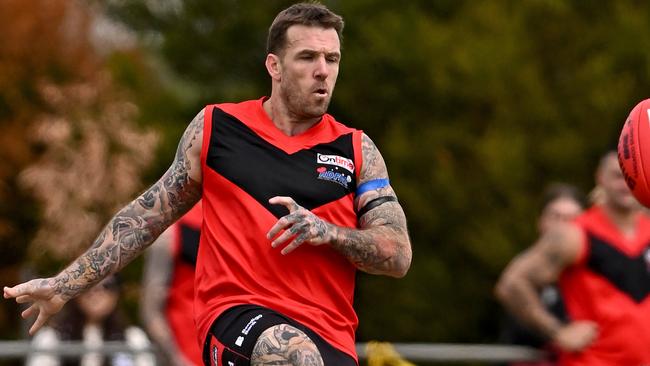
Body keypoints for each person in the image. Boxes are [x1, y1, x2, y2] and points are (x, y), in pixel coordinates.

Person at [4, 3, 412, 366]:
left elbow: (397, 254)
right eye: (307, 57)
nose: (323, 70)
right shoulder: (218, 128)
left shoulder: (358, 149)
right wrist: (65, 284)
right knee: (293, 352)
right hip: (234, 318)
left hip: (330, 337)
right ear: (274, 66)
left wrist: (331, 234)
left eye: (332, 58)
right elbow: (145, 216)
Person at [495, 151, 650, 366]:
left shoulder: (647, 229)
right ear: (600, 178)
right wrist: (558, 332)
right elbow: (512, 284)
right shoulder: (576, 234)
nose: (625, 183)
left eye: (632, 173)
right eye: (617, 175)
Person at [497, 183, 586, 366]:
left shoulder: (594, 267)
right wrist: (559, 332)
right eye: (556, 216)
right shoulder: (526, 268)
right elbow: (517, 321)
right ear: (541, 221)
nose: (563, 225)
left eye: (572, 218)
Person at [26, 275, 154, 366]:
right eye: (88, 286)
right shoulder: (51, 338)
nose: (96, 292)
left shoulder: (134, 339)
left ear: (117, 294)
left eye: (107, 285)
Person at [141, 201, 203, 366]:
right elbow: (150, 309)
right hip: (185, 352)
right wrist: (176, 358)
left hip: (226, 346)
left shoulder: (238, 224)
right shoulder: (172, 232)